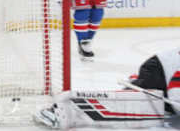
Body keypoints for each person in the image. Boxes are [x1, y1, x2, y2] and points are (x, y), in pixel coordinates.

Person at [34, 46, 180, 129]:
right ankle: (61, 109)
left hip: (166, 74)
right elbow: (176, 92)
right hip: (157, 70)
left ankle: (136, 82)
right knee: (134, 103)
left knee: (156, 105)